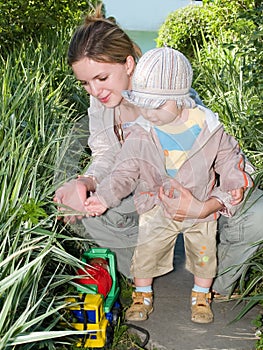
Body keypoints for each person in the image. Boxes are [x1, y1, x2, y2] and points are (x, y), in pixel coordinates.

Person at [53, 5, 263, 311]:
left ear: (128, 64)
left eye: (101, 78)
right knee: (77, 206)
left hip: (195, 191)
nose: (95, 91)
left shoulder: (170, 91)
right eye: (85, 83)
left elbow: (217, 152)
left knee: (258, 217)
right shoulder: (100, 103)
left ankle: (217, 284)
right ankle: (138, 273)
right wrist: (85, 182)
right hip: (143, 191)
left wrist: (204, 205)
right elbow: (106, 153)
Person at [84, 47, 253, 323]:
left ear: (181, 100)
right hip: (157, 202)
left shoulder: (208, 127)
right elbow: (124, 170)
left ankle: (201, 295)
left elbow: (228, 156)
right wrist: (103, 196)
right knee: (147, 250)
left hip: (200, 203)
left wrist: (233, 180)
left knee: (203, 253)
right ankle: (142, 294)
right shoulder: (141, 131)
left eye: (158, 106)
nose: (150, 114)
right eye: (144, 105)